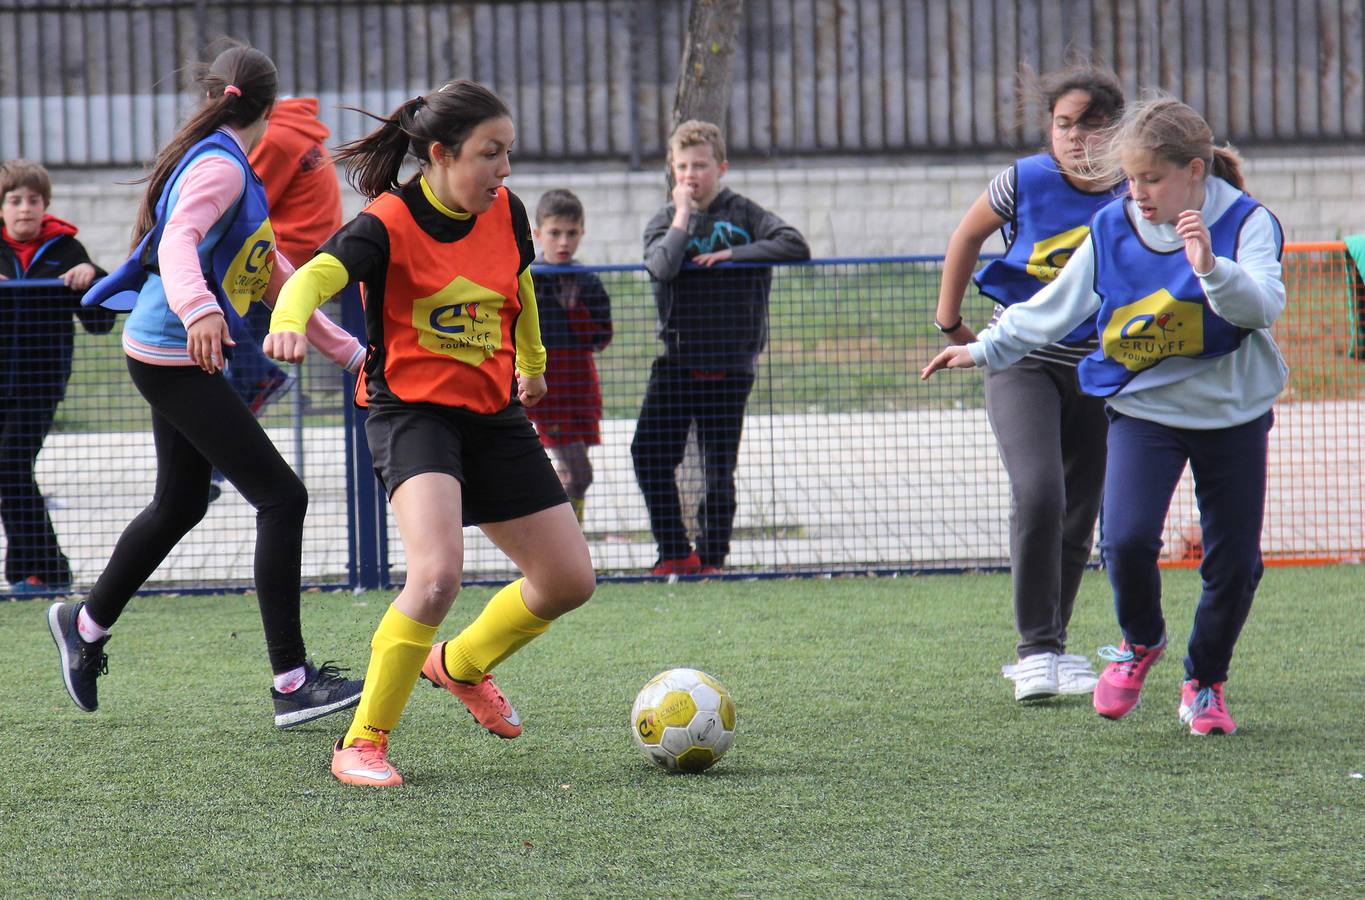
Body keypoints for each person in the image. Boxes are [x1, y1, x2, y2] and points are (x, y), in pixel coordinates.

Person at [265, 80, 596, 787]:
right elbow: (308, 277)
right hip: (411, 412)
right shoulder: (386, 222)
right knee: (437, 573)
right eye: (490, 153)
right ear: (441, 154)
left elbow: (520, 283)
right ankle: (362, 744)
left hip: (491, 412)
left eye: (508, 153)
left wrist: (532, 363)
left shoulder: (504, 211)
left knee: (568, 581)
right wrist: (287, 322)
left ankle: (458, 663)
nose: (504, 170)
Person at [922, 96, 1286, 736]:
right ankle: (1141, 641)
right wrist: (981, 348)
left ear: (1195, 171)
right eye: (1133, 179)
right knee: (1124, 540)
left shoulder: (1248, 222)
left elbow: (1260, 307)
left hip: (1233, 413)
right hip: (1146, 408)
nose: (1137, 194)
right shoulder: (1114, 226)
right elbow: (1053, 307)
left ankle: (1204, 681)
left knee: (1234, 564)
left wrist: (1210, 268)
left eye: (1152, 179)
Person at [49, 44, 367, 729]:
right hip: (172, 355)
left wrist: (350, 353)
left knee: (181, 502)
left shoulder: (234, 166)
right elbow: (176, 243)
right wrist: (199, 311)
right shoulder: (223, 168)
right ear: (271, 107)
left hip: (170, 352)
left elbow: (275, 269)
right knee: (282, 496)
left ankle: (85, 624)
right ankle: (290, 681)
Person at [932, 67, 1126, 702]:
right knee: (1040, 491)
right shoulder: (1022, 180)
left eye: (1090, 126)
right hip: (1023, 360)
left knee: (1080, 508)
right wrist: (951, 323)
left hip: (1102, 368)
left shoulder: (1136, 188)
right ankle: (1033, 651)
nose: (1075, 138)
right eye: (1064, 125)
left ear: (1117, 131)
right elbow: (966, 236)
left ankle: (1054, 646)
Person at [633, 119, 810, 576]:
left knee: (718, 468)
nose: (692, 175)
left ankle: (712, 560)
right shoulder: (662, 220)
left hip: (731, 363)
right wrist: (681, 216)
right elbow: (662, 266)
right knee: (648, 452)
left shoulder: (744, 214)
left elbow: (794, 244)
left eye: (701, 166)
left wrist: (732, 255)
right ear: (673, 171)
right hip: (678, 360)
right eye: (683, 166)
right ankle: (675, 551)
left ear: (721, 167)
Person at [207, 96, 347, 501]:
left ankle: (211, 469)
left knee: (232, 361)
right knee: (235, 371)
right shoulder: (299, 132)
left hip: (277, 263)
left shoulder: (276, 137)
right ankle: (211, 471)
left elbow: (238, 202)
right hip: (299, 258)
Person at [0, 159, 113, 595]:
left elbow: (100, 322)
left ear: (45, 205)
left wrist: (92, 280)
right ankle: (38, 572)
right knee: (10, 472)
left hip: (39, 384)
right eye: (15, 200)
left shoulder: (67, 250)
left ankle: (41, 570)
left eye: (33, 200)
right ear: (3, 208)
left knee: (10, 466)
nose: (24, 208)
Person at [527, 188, 613, 525]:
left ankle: (568, 542)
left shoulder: (587, 282)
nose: (563, 241)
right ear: (538, 234)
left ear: (582, 233)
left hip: (580, 388)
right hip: (547, 392)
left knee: (571, 473)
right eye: (555, 233)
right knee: (580, 473)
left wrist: (574, 310)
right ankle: (561, 536)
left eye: (571, 233)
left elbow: (602, 337)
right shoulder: (529, 279)